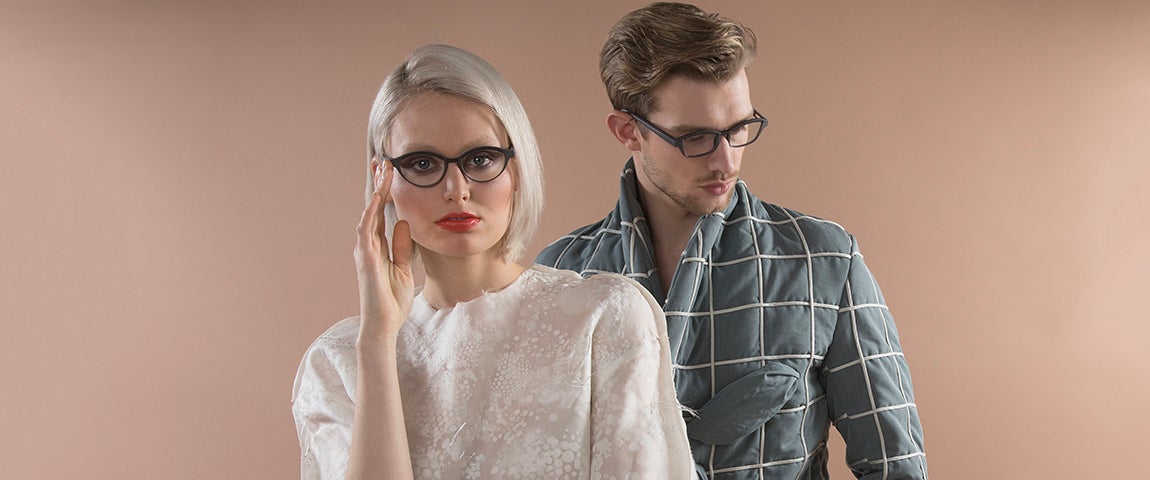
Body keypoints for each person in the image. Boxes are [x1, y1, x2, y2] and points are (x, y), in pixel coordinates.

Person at [536, 3, 928, 479]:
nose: (726, 159)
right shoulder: (560, 276)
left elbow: (896, 467)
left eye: (739, 127)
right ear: (629, 132)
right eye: (695, 136)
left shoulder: (823, 260)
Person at [291, 44, 693, 480]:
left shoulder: (604, 316)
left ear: (516, 168)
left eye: (480, 159)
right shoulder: (336, 364)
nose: (457, 189)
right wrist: (377, 341)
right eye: (423, 163)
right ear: (382, 179)